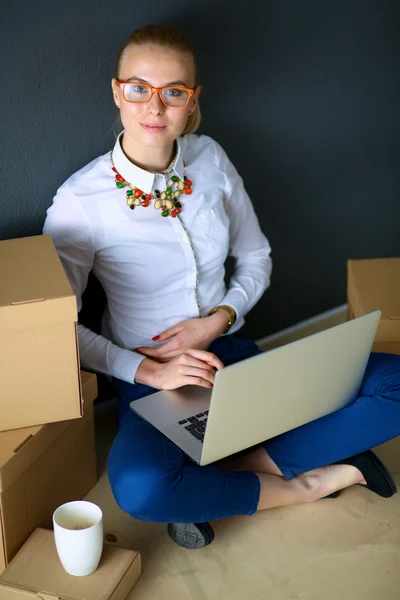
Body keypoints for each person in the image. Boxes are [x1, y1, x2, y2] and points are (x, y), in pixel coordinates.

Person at [43, 24, 400, 550]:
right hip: (150, 380)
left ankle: (223, 474)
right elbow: (54, 331)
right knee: (141, 488)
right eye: (139, 88)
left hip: (235, 356)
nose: (155, 107)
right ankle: (305, 483)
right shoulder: (79, 202)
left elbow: (256, 256)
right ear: (118, 92)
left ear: (193, 100)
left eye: (174, 92)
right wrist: (147, 369)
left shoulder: (210, 160)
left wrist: (221, 317)